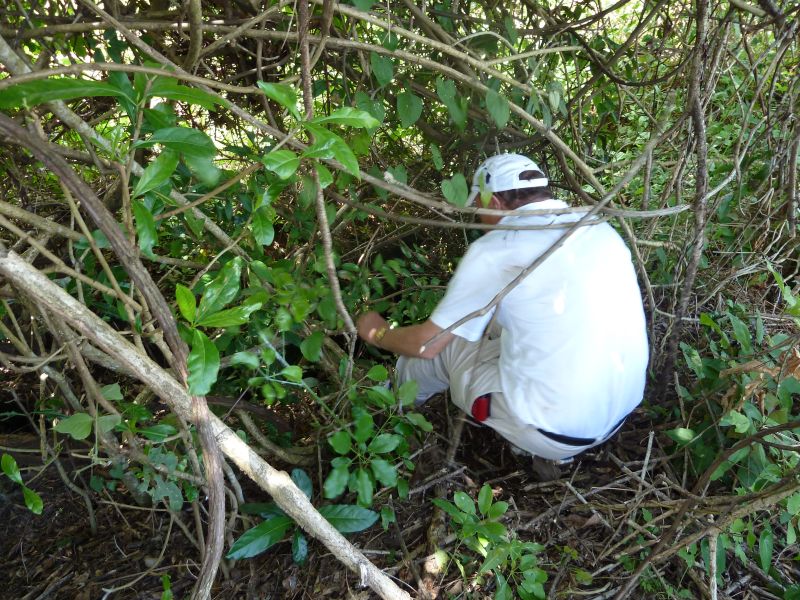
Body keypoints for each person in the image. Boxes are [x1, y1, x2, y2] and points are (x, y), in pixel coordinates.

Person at [357, 153, 648, 469]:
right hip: (618, 413)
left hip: (553, 430)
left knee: (445, 348)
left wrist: (378, 333)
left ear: (493, 202)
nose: (479, 221)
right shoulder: (597, 228)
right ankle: (546, 447)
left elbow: (426, 345)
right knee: (497, 324)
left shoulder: (497, 249)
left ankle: (385, 408)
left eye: (478, 209)